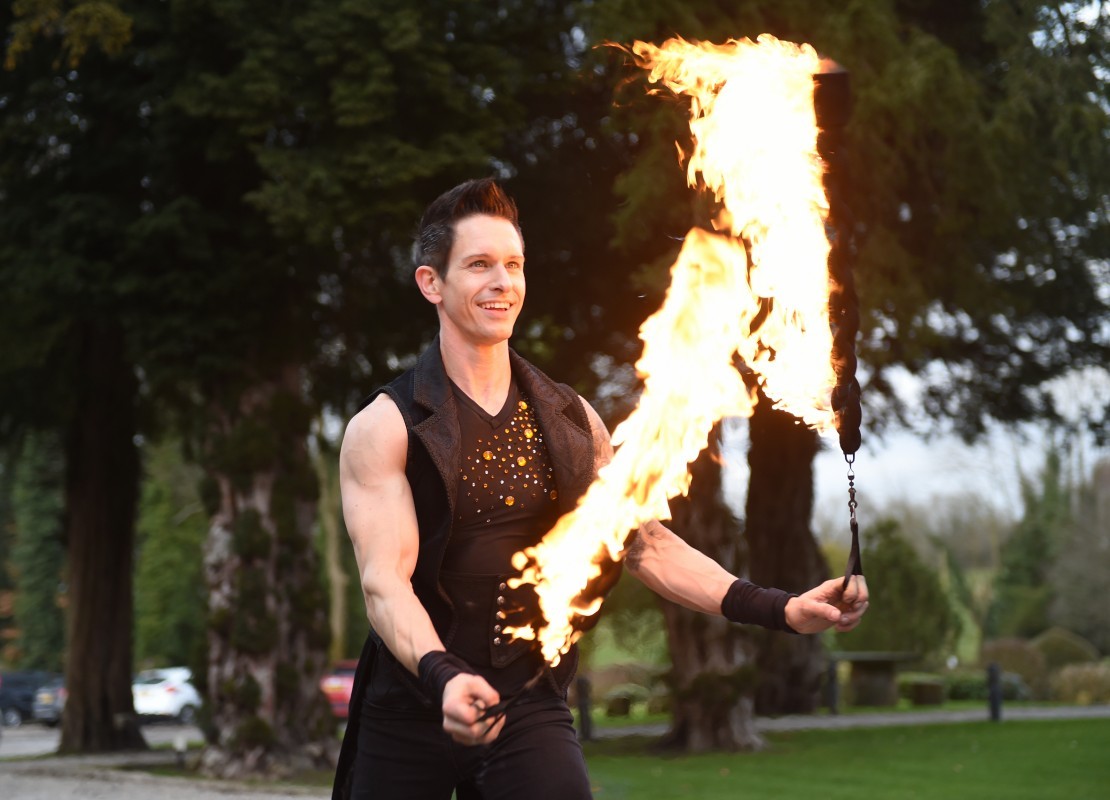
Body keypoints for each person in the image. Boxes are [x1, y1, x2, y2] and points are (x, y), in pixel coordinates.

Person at [332, 178, 869, 799]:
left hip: (525, 700)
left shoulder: (570, 419)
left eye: (513, 265)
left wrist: (781, 608)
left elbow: (644, 545)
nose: (502, 282)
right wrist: (444, 676)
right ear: (432, 283)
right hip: (411, 704)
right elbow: (385, 585)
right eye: (479, 265)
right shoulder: (386, 426)